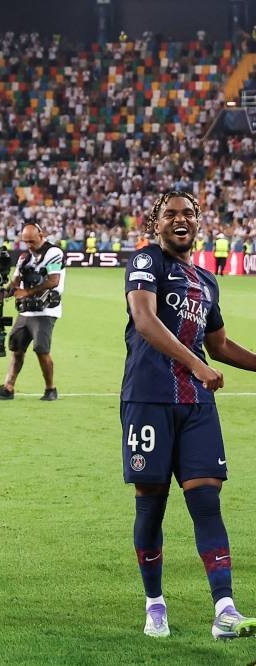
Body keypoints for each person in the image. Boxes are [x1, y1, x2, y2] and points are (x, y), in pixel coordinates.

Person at [123, 191, 256, 640]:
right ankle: (155, 604)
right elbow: (144, 319)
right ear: (154, 223)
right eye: (169, 214)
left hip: (197, 403)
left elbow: (218, 344)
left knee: (206, 499)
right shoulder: (146, 263)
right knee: (152, 504)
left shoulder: (206, 281)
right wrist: (196, 365)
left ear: (198, 222)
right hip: (149, 398)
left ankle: (224, 609)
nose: (180, 220)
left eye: (188, 214)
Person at [0, 222, 65, 401]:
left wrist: (27, 292)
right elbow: (16, 281)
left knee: (41, 349)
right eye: (26, 242)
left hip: (46, 310)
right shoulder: (24, 258)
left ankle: (50, 389)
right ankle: (8, 387)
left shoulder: (53, 253)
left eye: (32, 241)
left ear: (41, 235)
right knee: (16, 348)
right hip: (26, 311)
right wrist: (6, 292)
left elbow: (53, 281)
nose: (29, 245)